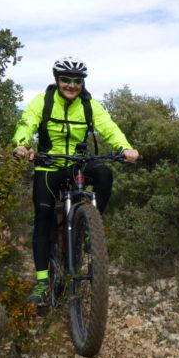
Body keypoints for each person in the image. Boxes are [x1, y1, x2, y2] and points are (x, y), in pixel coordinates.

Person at [13, 56, 140, 304]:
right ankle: (42, 283)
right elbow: (26, 124)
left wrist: (125, 148)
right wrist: (21, 145)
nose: (71, 85)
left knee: (104, 173)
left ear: (83, 82)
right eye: (66, 80)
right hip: (49, 165)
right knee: (43, 217)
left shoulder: (89, 104)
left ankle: (91, 227)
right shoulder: (43, 101)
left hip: (77, 164)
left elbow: (109, 127)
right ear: (56, 80)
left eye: (77, 81)